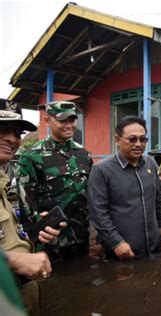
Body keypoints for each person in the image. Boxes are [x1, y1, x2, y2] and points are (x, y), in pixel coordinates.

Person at [0, 98, 62, 315]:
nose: (11, 138)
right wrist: (13, 260)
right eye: (2, 129)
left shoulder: (2, 184)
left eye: (17, 133)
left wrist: (32, 235)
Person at [17, 101, 92, 259]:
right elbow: (27, 205)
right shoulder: (31, 156)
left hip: (81, 236)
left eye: (72, 120)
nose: (69, 125)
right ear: (47, 120)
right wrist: (36, 242)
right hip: (51, 240)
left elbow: (91, 194)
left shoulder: (83, 154)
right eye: (62, 120)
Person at [88, 116, 161, 259]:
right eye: (132, 139)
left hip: (154, 247)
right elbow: (98, 212)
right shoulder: (102, 170)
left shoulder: (150, 164)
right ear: (118, 140)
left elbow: (158, 200)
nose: (138, 144)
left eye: (143, 139)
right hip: (122, 252)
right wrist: (116, 242)